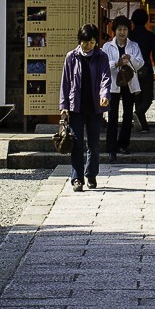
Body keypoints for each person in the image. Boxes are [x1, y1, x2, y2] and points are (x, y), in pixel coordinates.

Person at [58, 24, 111, 191]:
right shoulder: (71, 57)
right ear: (79, 41)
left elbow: (105, 78)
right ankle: (77, 178)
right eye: (86, 42)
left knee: (94, 144)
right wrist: (64, 105)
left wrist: (105, 95)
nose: (89, 45)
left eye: (93, 42)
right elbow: (65, 83)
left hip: (95, 107)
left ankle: (91, 175)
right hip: (76, 107)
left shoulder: (101, 56)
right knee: (77, 144)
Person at [102, 15, 145, 161]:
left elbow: (140, 63)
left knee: (127, 115)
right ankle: (111, 148)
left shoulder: (134, 46)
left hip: (129, 83)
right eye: (119, 29)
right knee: (112, 116)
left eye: (125, 29)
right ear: (114, 30)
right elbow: (103, 65)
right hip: (113, 84)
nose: (122, 32)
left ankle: (123, 145)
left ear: (128, 30)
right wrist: (116, 63)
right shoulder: (107, 46)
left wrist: (130, 59)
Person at [130, 8, 155, 134]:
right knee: (148, 98)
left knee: (138, 97)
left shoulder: (129, 35)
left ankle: (142, 124)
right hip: (146, 68)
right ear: (146, 20)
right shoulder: (150, 35)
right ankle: (139, 115)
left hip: (132, 68)